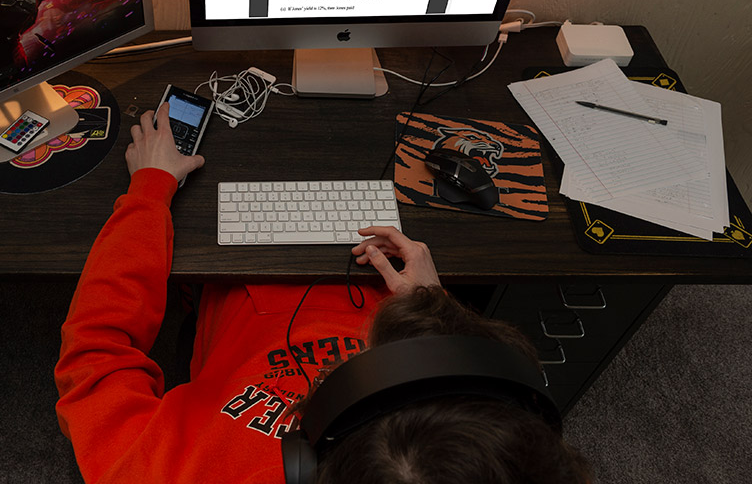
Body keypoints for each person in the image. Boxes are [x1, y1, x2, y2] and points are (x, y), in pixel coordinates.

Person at [54, 104, 591, 483]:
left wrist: (149, 187)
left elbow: (96, 353)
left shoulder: (167, 474)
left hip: (245, 282)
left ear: (306, 461)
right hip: (390, 284)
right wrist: (434, 310)